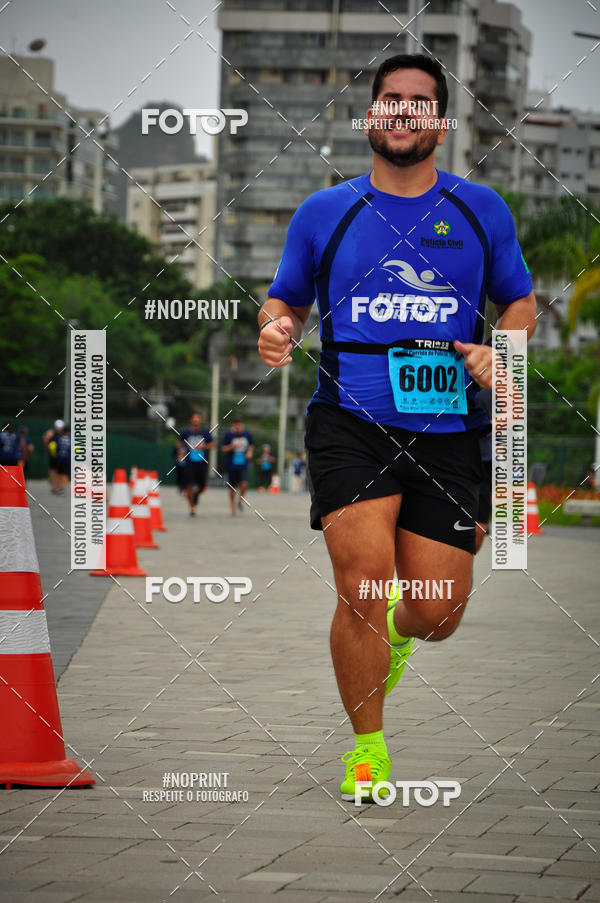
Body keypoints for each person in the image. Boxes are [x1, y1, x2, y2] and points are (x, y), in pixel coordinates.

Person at [258, 53, 536, 802]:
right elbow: (283, 299)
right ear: (372, 115)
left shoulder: (482, 209)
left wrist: (498, 350)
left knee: (437, 610)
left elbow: (519, 302)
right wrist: (276, 329)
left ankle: (399, 633)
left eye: (421, 102)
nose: (405, 112)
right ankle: (369, 749)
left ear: (441, 121)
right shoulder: (326, 210)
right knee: (362, 583)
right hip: (350, 419)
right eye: (391, 100)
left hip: (448, 425)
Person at [177, 412, 214, 516]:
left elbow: (212, 445)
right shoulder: (186, 433)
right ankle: (192, 507)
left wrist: (203, 447)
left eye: (198, 418)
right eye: (194, 418)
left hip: (202, 463)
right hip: (189, 462)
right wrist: (180, 453)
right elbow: (179, 443)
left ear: (200, 421)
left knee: (202, 486)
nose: (196, 420)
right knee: (189, 484)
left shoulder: (205, 433)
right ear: (191, 420)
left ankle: (195, 495)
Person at [222, 418, 254, 515]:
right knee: (232, 488)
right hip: (232, 465)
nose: (238, 427)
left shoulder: (247, 434)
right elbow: (224, 449)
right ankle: (232, 505)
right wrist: (233, 445)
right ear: (233, 425)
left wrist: (249, 452)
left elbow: (251, 445)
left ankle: (240, 500)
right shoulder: (228, 435)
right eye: (236, 425)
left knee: (244, 484)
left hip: (243, 464)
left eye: (239, 425)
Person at [43, 419, 65, 493]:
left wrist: (48, 448)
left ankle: (56, 486)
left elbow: (45, 440)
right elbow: (46, 440)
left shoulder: (51, 433)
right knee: (56, 471)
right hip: (57, 455)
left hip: (56, 455)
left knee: (55, 471)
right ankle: (57, 486)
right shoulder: (53, 433)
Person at [54, 424, 71, 493]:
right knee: (65, 474)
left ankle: (59, 486)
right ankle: (63, 487)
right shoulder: (71, 439)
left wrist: (54, 454)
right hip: (67, 458)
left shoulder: (59, 438)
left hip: (60, 458)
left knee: (59, 473)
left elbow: (53, 446)